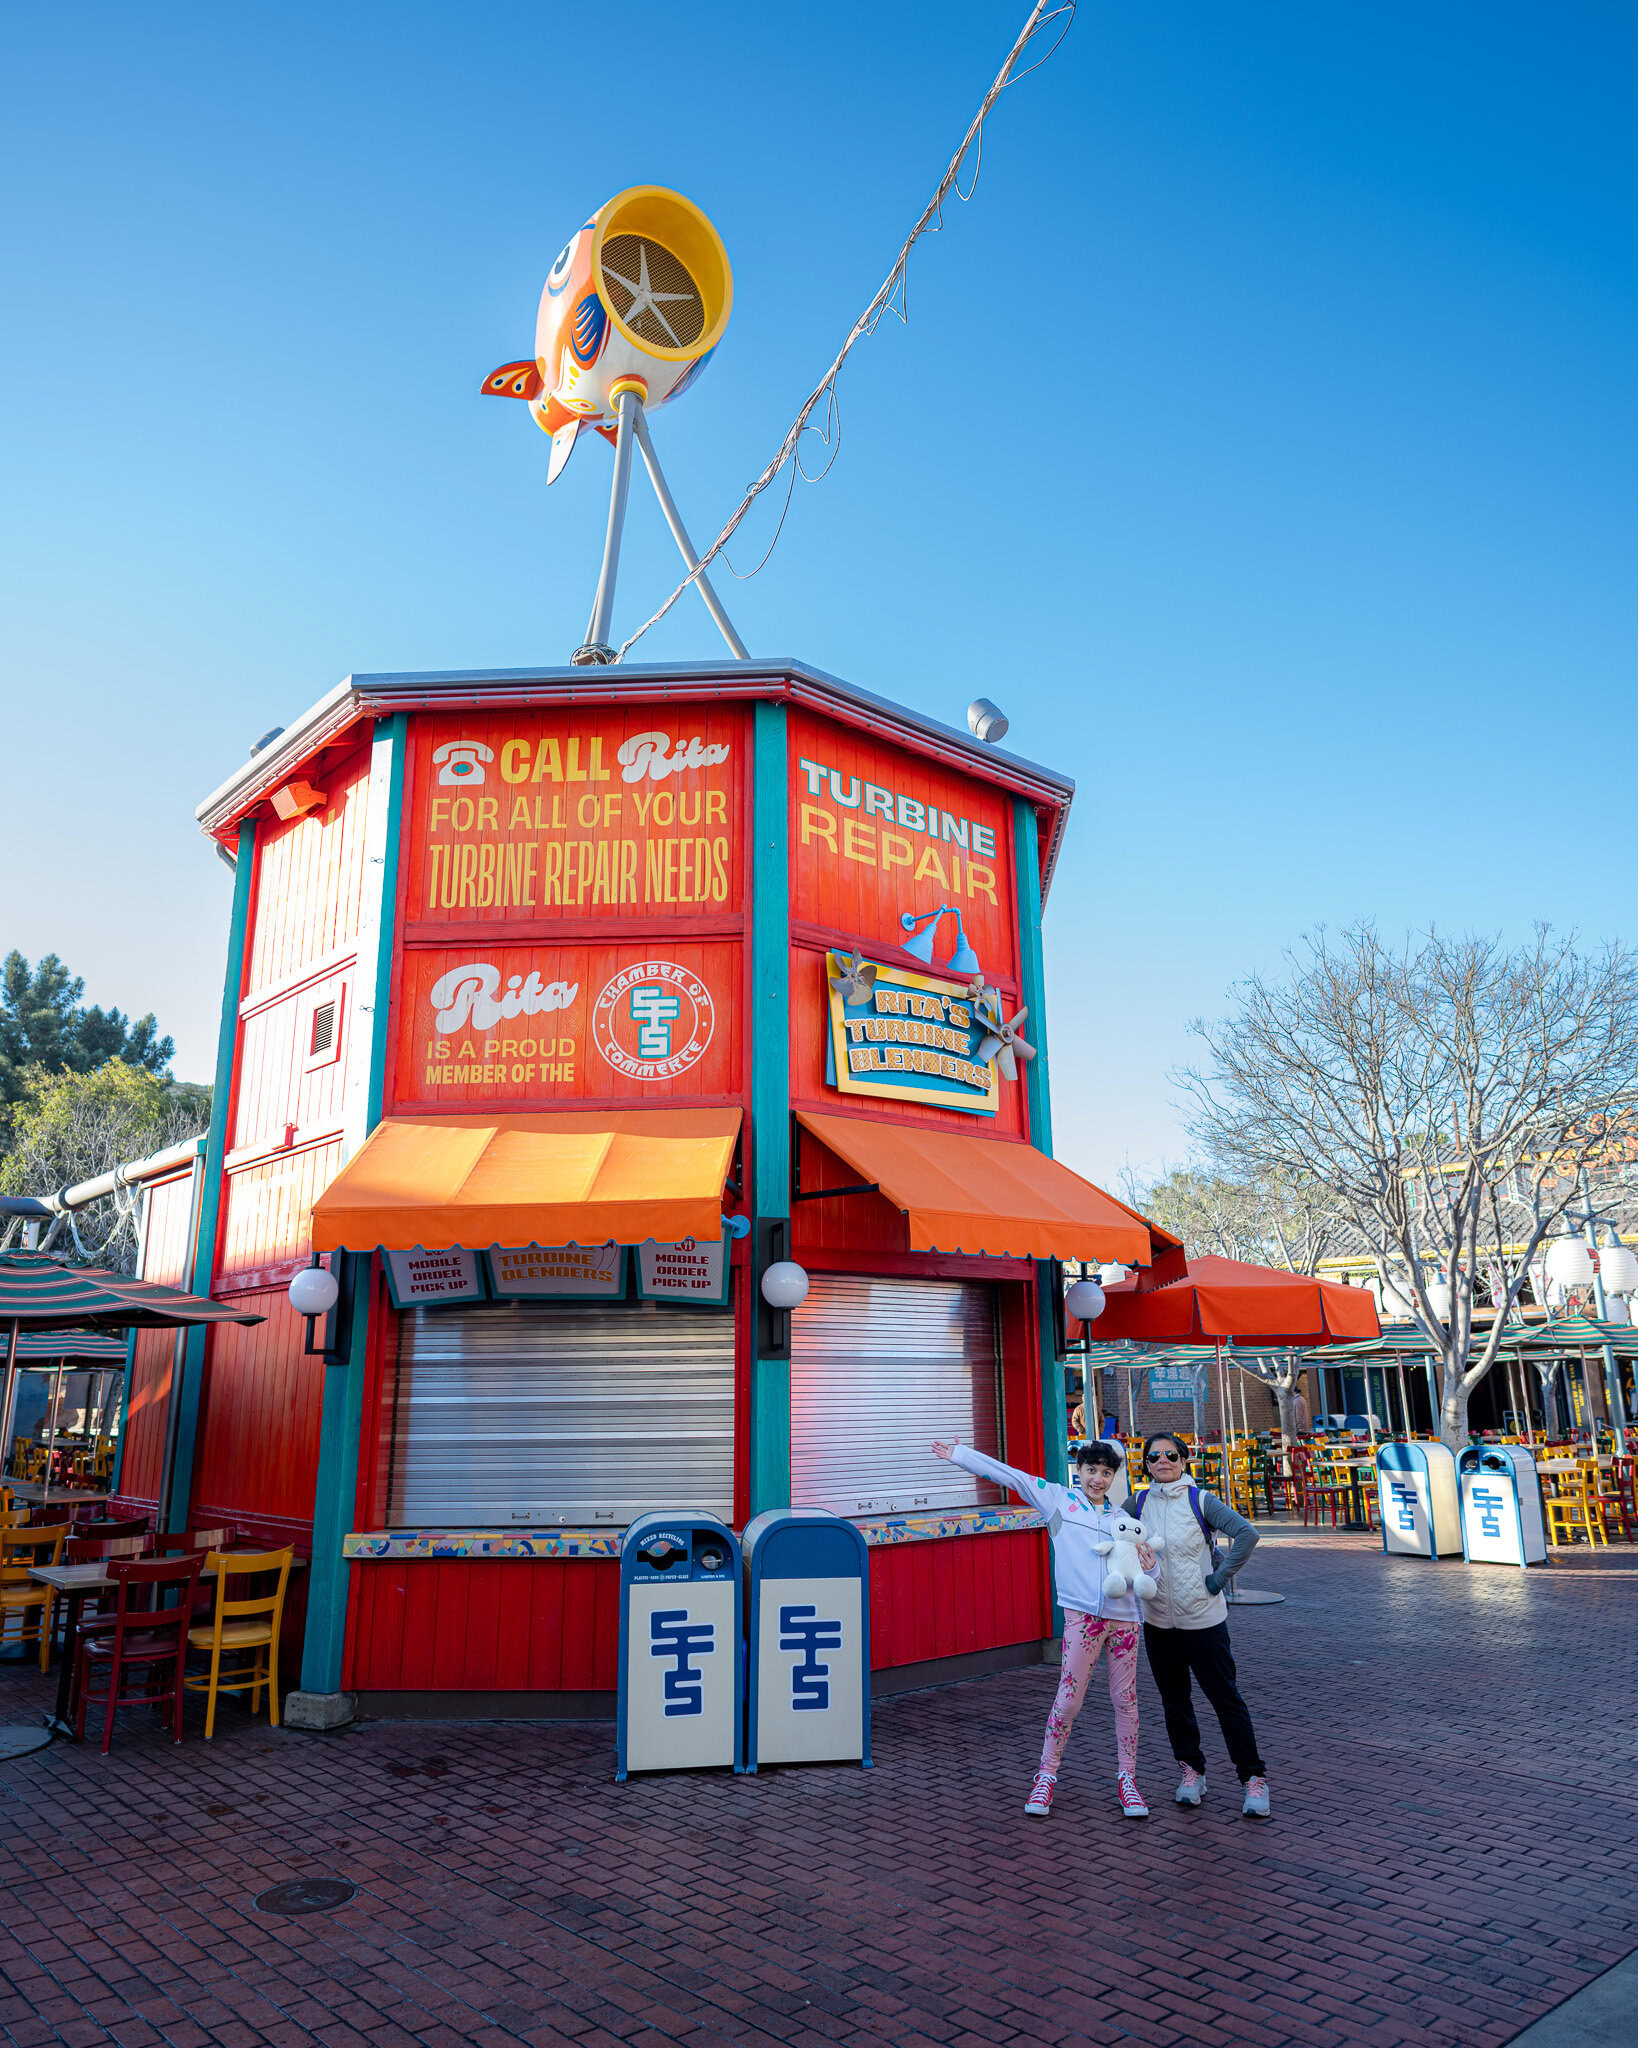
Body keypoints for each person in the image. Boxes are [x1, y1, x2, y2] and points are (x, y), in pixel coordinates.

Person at [931, 1434, 1152, 1820]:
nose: (1097, 1479)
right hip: (1082, 1617)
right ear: (1078, 1471)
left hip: (1125, 1621)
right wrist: (962, 1456)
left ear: (1113, 1476)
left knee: (1126, 1701)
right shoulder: (1058, 1500)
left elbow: (1149, 1573)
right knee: (1068, 1701)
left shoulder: (1125, 1521)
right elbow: (1011, 1477)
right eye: (1090, 1471)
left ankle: (1128, 1779)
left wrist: (1152, 1566)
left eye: (1104, 1472)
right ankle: (1046, 1775)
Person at [1128, 1431, 1272, 1818]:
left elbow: (1246, 1534)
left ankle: (1252, 1778)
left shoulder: (1200, 1499)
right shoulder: (1138, 1503)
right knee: (1175, 1703)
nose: (1162, 1461)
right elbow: (1111, 1534)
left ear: (1184, 1459)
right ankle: (1191, 1772)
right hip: (1159, 1623)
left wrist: (1217, 1581)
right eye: (1154, 1456)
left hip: (1204, 1621)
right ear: (1145, 1463)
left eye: (1171, 1455)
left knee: (1226, 1700)